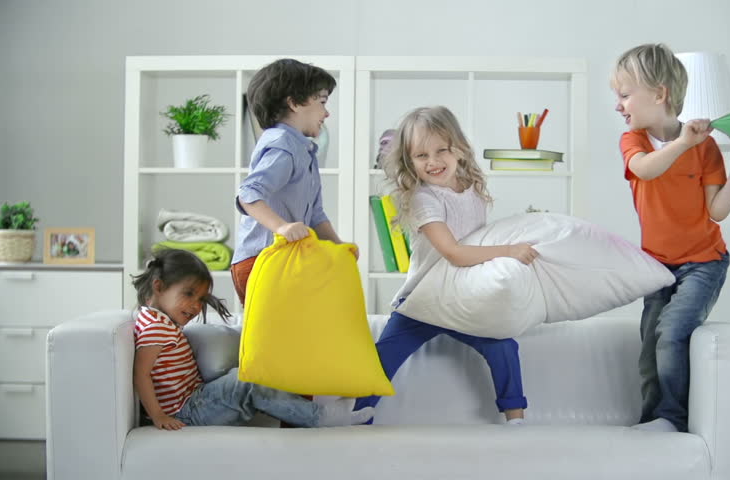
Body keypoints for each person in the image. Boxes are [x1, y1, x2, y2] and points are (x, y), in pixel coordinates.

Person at [354, 106, 538, 425]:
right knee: (381, 359)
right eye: (421, 155)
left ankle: (516, 420)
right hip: (423, 300)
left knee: (503, 346)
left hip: (464, 298)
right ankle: (357, 418)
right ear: (409, 162)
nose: (433, 162)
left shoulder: (472, 189)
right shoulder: (426, 199)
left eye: (442, 150)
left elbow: (478, 244)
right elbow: (453, 251)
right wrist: (509, 250)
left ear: (459, 148)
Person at [611, 43, 730, 432]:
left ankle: (673, 420)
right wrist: (683, 143)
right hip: (657, 265)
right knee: (649, 343)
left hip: (704, 262)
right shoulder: (633, 141)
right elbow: (646, 169)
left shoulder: (704, 148)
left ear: (659, 94)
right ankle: (653, 419)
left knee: (671, 333)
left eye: (624, 95)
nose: (618, 105)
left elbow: (717, 211)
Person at [132, 248, 374, 430]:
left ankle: (315, 415)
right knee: (248, 382)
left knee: (246, 375)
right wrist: (158, 416)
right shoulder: (155, 327)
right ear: (159, 286)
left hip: (196, 400)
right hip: (187, 412)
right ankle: (320, 418)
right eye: (189, 294)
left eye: (201, 299)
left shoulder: (159, 321)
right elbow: (141, 374)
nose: (196, 306)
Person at [231, 58, 356, 305]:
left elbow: (316, 216)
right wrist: (282, 227)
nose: (326, 113)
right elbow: (248, 194)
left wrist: (339, 246)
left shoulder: (303, 150)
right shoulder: (282, 144)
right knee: (279, 335)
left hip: (284, 258)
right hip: (261, 259)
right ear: (295, 103)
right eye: (322, 102)